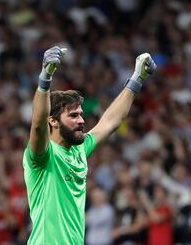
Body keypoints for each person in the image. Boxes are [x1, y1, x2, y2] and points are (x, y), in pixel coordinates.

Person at [22, 46, 156, 244]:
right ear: (53, 121)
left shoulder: (80, 148)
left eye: (81, 115)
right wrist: (45, 78)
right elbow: (37, 124)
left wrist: (137, 78)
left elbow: (111, 121)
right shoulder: (43, 155)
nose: (81, 121)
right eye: (73, 116)